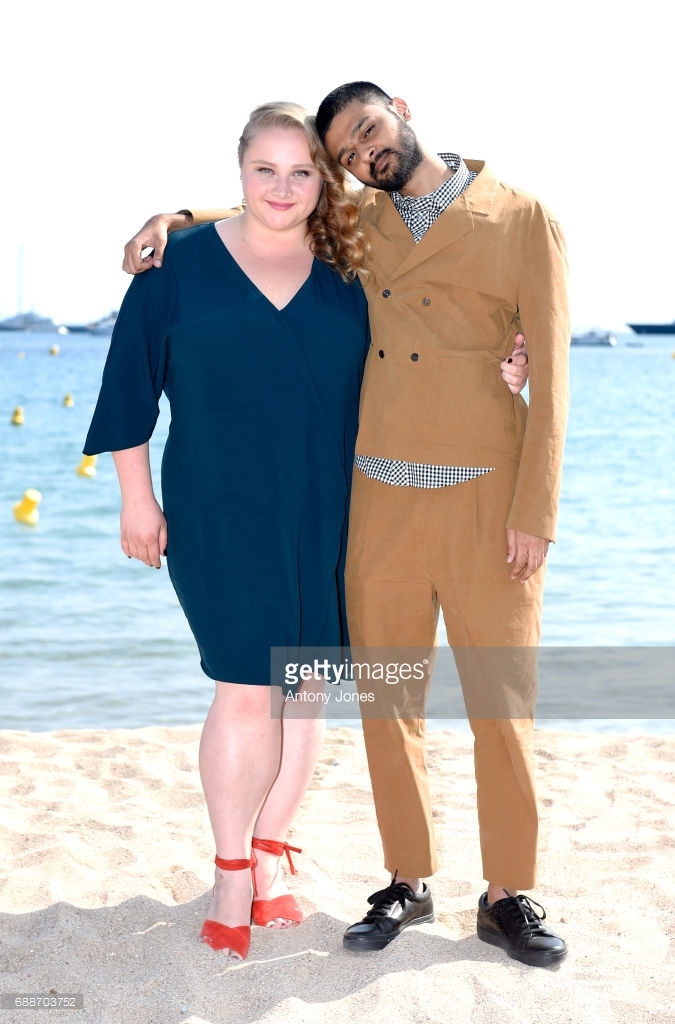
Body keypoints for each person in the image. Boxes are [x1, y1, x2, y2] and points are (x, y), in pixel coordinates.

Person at [121, 84, 562, 967]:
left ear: (399, 110)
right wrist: (171, 216)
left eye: (368, 132)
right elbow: (272, 209)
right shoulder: (356, 220)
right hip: (380, 500)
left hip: (486, 495)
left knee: (500, 707)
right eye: (348, 155)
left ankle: (510, 892)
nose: (364, 155)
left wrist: (534, 512)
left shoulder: (521, 216)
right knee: (389, 705)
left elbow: (549, 372)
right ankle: (408, 879)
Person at [83, 101, 372, 962]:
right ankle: (233, 870)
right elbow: (128, 392)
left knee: (308, 684)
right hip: (218, 505)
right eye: (264, 170)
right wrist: (137, 501)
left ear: (325, 179)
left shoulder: (354, 265)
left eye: (301, 171)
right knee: (246, 686)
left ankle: (274, 850)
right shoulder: (176, 266)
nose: (281, 188)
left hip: (335, 507)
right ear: (238, 171)